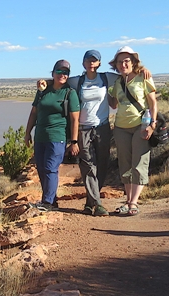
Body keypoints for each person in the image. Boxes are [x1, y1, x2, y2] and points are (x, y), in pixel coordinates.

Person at [38, 50, 152, 217]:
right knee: (88, 165)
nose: (91, 63)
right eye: (88, 60)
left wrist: (142, 70)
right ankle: (97, 204)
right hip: (84, 128)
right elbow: (59, 80)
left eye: (95, 61)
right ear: (83, 63)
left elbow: (126, 73)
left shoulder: (107, 78)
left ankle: (90, 201)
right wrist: (45, 82)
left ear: (99, 63)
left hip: (103, 127)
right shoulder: (77, 81)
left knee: (102, 165)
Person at [107, 46, 157, 216]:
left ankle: (134, 202)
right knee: (125, 164)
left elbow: (153, 103)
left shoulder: (144, 77)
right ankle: (128, 201)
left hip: (140, 125)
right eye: (120, 62)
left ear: (134, 62)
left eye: (127, 61)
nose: (123, 64)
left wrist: (152, 124)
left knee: (139, 163)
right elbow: (113, 104)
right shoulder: (117, 82)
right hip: (121, 126)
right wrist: (107, 91)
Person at [24, 60, 80, 211]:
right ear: (53, 73)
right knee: (41, 169)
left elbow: (75, 119)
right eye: (59, 72)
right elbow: (34, 112)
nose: (62, 75)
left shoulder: (70, 93)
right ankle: (51, 200)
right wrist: (27, 132)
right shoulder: (43, 90)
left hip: (57, 136)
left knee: (50, 168)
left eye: (66, 73)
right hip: (40, 136)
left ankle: (47, 202)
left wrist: (74, 141)